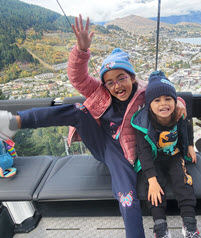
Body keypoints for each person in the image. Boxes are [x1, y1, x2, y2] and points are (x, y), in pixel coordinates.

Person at [0, 15, 188, 238]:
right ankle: (14, 122)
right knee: (77, 110)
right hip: (103, 144)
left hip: (127, 155)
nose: (116, 85)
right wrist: (81, 50)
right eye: (110, 82)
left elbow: (165, 94)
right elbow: (78, 78)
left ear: (132, 77)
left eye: (121, 78)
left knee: (127, 199)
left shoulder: (144, 93)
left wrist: (180, 103)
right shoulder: (99, 91)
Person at [131, 71, 200, 238]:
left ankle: (190, 224)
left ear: (175, 101)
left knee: (183, 181)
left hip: (174, 155)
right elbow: (144, 153)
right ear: (149, 104)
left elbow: (186, 126)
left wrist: (190, 145)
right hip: (153, 160)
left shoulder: (178, 114)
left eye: (168, 99)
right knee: (154, 189)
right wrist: (152, 180)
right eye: (157, 100)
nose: (163, 104)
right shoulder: (143, 124)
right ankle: (160, 226)